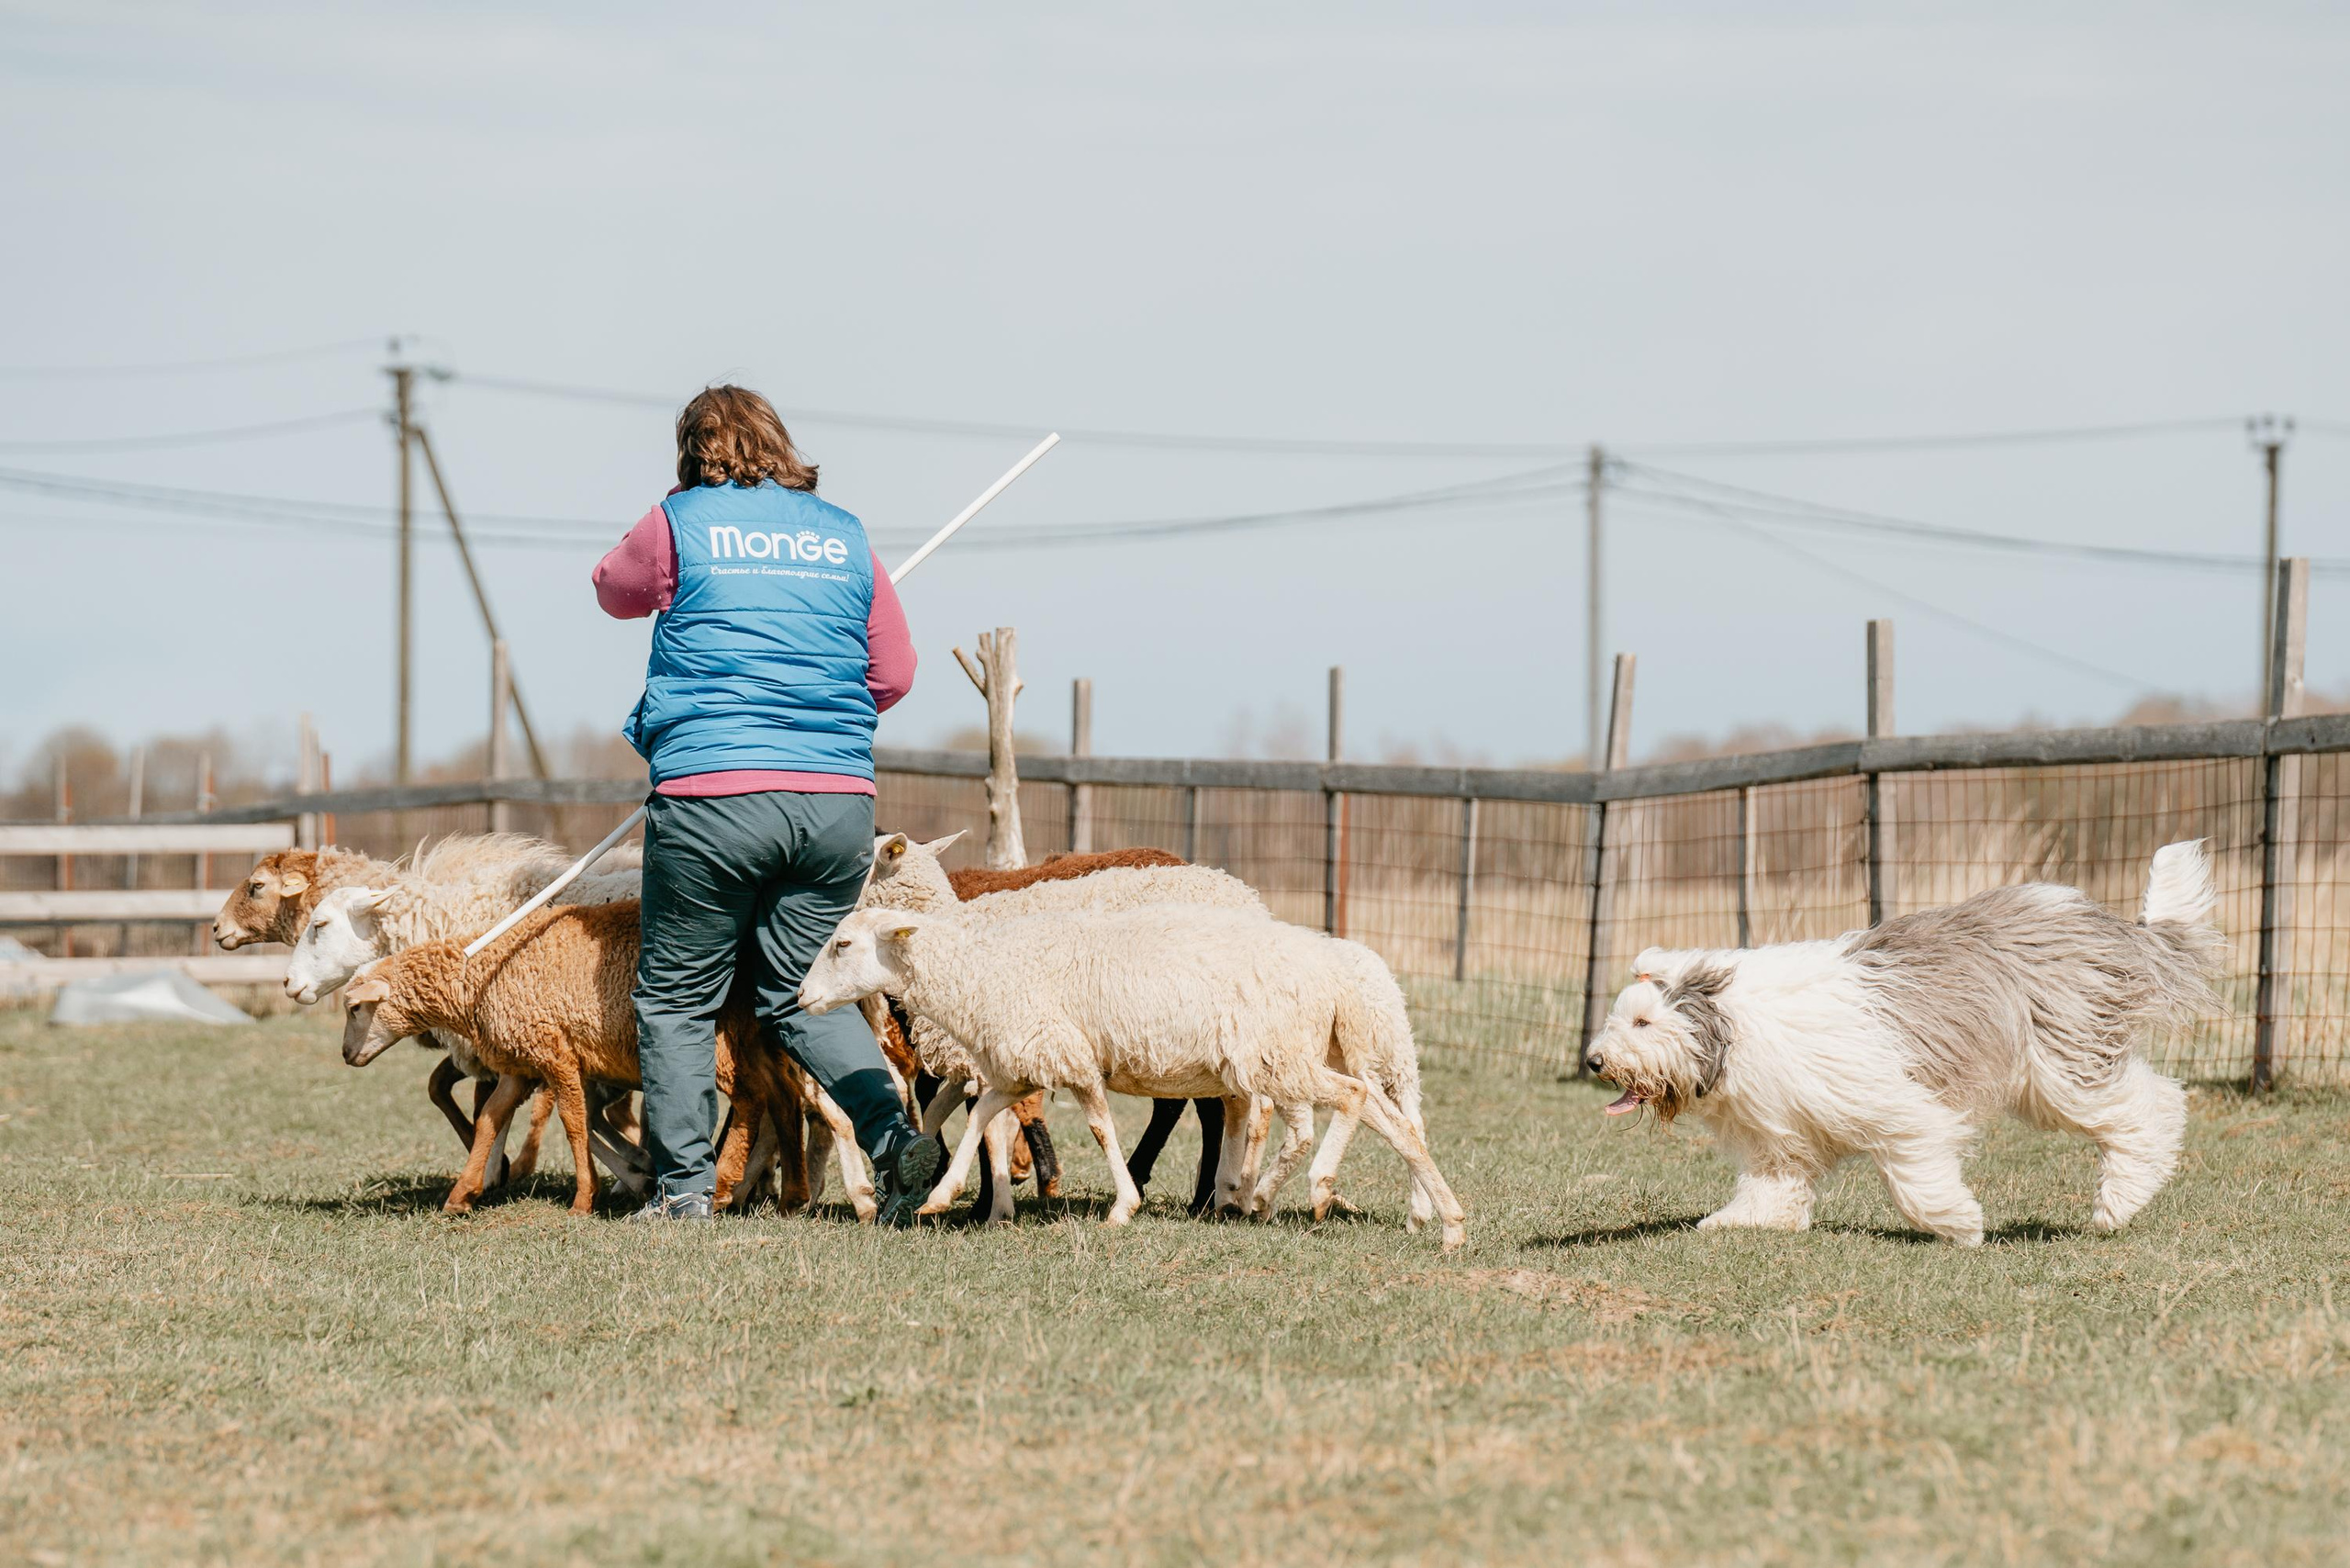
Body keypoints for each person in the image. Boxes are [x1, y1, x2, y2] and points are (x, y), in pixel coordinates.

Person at [593, 385, 944, 1223]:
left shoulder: (678, 524)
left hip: (714, 795)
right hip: (835, 803)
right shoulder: (845, 535)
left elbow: (611, 588)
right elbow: (893, 675)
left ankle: (681, 1194)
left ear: (693, 450)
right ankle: (895, 1145)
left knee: (679, 994)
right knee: (798, 988)